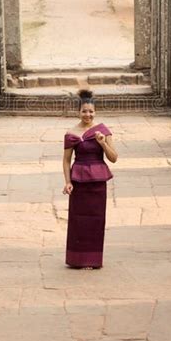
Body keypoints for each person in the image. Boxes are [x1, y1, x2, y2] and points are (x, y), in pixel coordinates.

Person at [62, 90, 118, 269]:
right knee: (78, 220)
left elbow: (114, 157)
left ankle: (93, 260)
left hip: (97, 180)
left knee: (96, 219)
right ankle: (76, 259)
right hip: (79, 179)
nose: (88, 115)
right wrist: (68, 181)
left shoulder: (103, 131)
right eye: (84, 111)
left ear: (95, 112)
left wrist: (102, 142)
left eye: (91, 111)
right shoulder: (71, 133)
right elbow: (66, 160)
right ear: (78, 111)